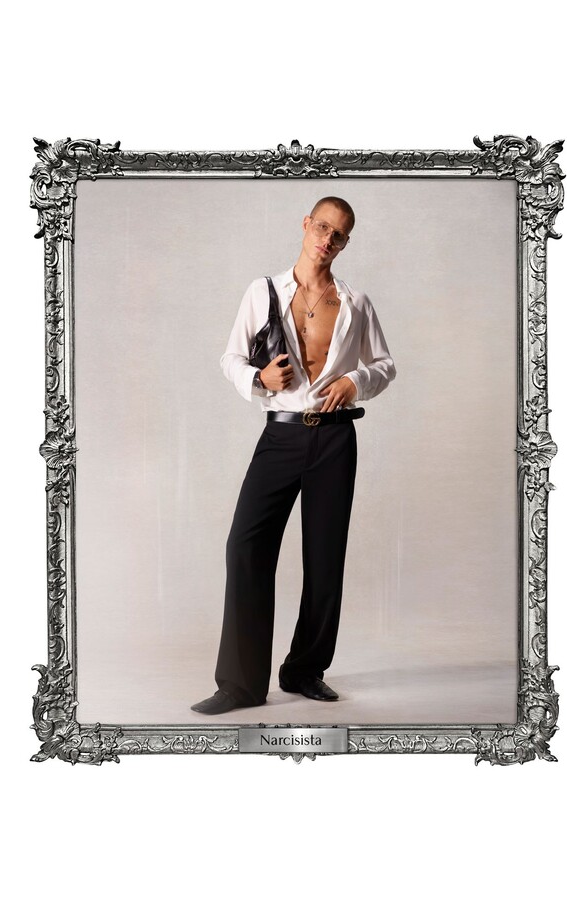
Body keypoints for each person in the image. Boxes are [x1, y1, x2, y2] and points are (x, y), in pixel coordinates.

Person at [192, 197, 395, 715]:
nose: (328, 239)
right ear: (306, 225)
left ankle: (305, 670)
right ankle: (240, 685)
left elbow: (385, 364)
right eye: (322, 227)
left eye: (339, 234)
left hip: (335, 439)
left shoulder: (355, 302)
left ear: (346, 243)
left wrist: (356, 380)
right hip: (281, 436)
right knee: (245, 547)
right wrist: (257, 377)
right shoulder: (263, 291)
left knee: (325, 559)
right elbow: (230, 356)